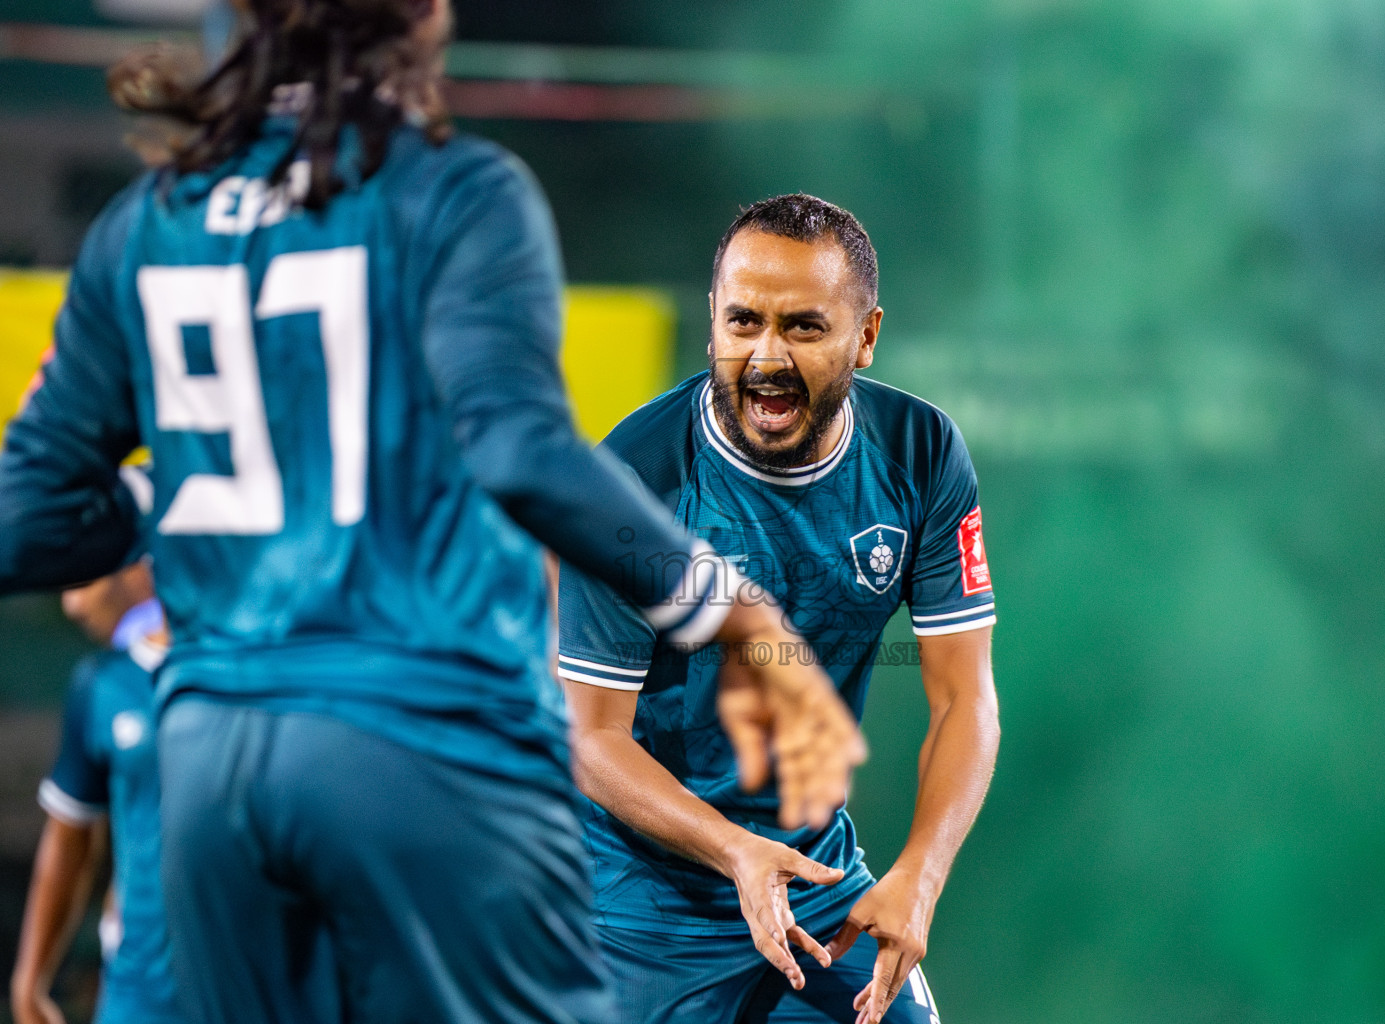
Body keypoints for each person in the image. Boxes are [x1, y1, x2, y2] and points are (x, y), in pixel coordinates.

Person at [0, 3, 864, 1021]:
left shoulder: (147, 221)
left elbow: (28, 520)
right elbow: (521, 450)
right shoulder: (457, 192)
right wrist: (727, 607)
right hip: (424, 751)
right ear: (412, 22)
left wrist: (178, 483)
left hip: (213, 768)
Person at [558, 194, 1002, 1024]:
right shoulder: (630, 481)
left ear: (865, 337)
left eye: (802, 327)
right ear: (712, 329)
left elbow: (964, 697)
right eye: (742, 323)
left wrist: (919, 875)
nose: (765, 356)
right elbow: (591, 736)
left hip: (815, 884)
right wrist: (733, 851)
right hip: (642, 907)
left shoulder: (922, 453)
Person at [9, 560, 184, 1024]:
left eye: (84, 579)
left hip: (248, 973)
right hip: (140, 988)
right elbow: (69, 835)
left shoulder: (253, 677)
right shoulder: (103, 683)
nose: (73, 605)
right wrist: (30, 979)